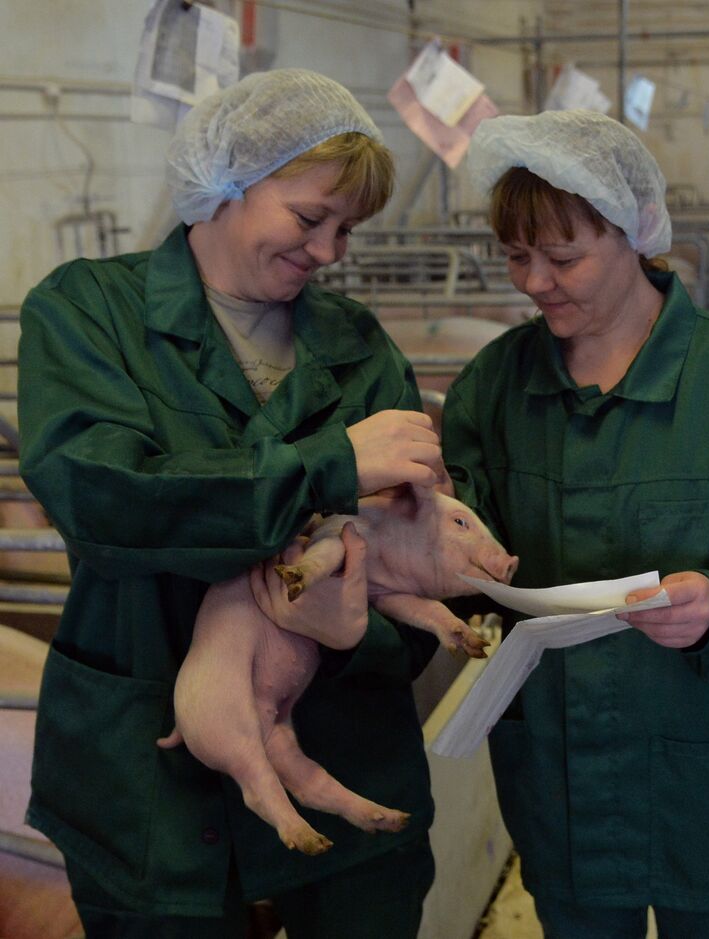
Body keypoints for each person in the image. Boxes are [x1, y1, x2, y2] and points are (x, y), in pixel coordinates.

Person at [19, 69, 444, 937]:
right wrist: (328, 467)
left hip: (343, 754)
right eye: (310, 217)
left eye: (346, 229)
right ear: (226, 180)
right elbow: (102, 496)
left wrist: (358, 632)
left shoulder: (359, 345)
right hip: (145, 775)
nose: (329, 252)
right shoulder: (88, 311)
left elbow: (416, 545)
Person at [440, 109, 709, 938]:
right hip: (562, 775)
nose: (535, 282)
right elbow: (460, 550)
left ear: (636, 232)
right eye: (516, 256)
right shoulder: (493, 387)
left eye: (563, 258)